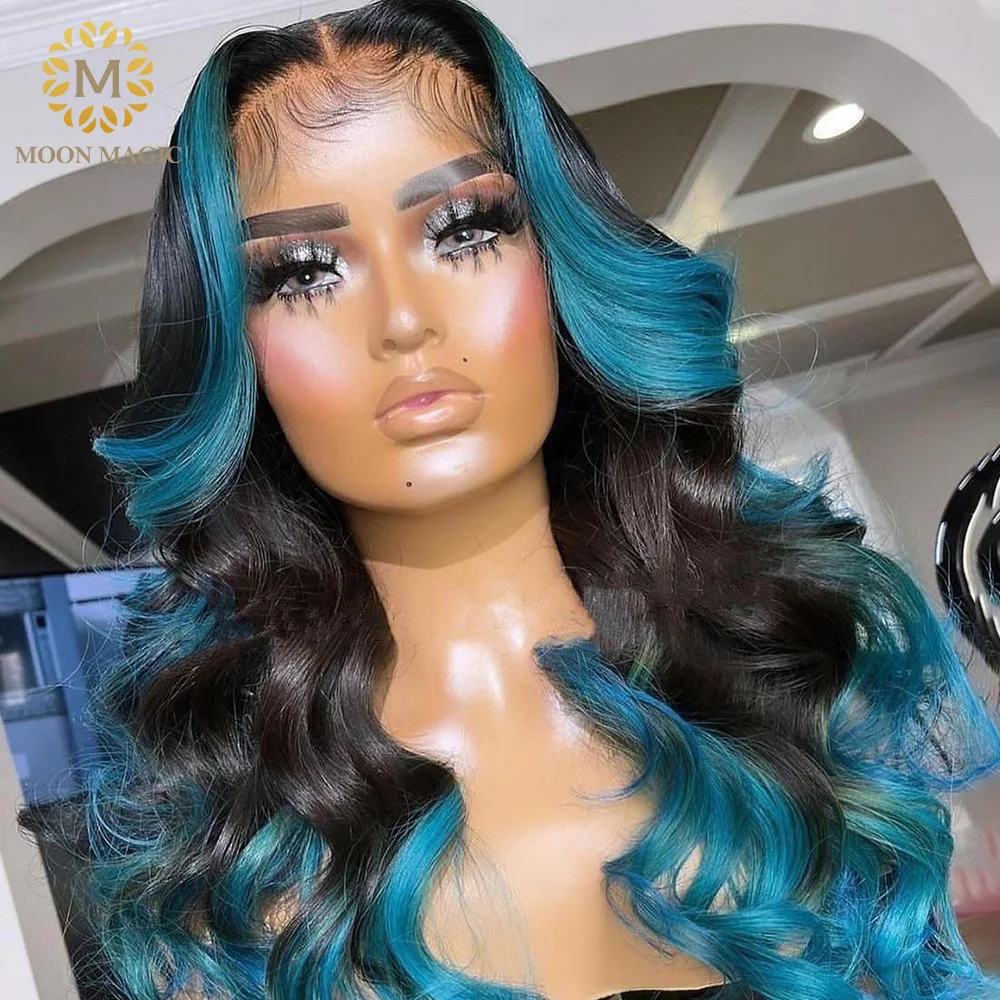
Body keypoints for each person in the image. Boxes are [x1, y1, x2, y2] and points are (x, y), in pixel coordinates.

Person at [24, 2, 1000, 998]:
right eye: (305, 273)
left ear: (557, 259)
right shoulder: (245, 871)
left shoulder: (779, 687)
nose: (404, 321)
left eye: (463, 229)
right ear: (238, 351)